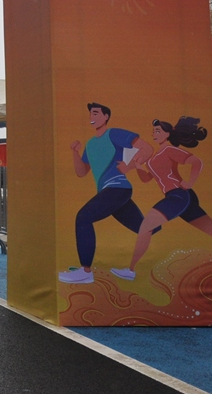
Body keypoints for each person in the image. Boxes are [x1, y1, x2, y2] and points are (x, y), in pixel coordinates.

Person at [114, 117, 212, 281]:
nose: (154, 133)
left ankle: (130, 270)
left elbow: (197, 162)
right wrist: (137, 167)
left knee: (146, 226)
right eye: (153, 131)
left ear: (167, 134)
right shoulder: (153, 159)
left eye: (158, 131)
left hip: (178, 195)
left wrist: (190, 182)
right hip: (176, 198)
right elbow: (146, 179)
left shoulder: (170, 150)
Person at [60, 103, 153, 284]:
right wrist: (75, 152)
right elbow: (82, 172)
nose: (91, 117)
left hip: (117, 188)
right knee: (145, 228)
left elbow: (147, 149)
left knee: (83, 217)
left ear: (106, 117)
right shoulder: (90, 143)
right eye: (90, 114)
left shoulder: (114, 134)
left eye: (95, 113)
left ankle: (85, 271)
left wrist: (129, 166)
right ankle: (168, 221)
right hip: (110, 192)